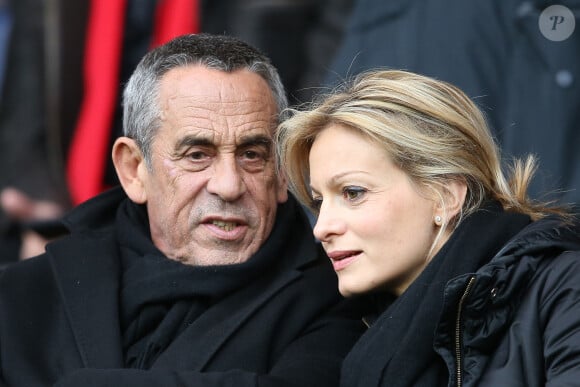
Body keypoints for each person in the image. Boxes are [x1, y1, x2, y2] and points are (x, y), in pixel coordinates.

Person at [0, 33, 367, 386]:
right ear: (133, 169)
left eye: (252, 155)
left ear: (282, 171)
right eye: (197, 155)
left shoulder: (339, 296)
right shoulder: (24, 294)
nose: (229, 185)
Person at [276, 69, 580, 386]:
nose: (321, 228)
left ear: (445, 197)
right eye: (318, 202)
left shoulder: (564, 289)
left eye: (353, 193)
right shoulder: (346, 325)